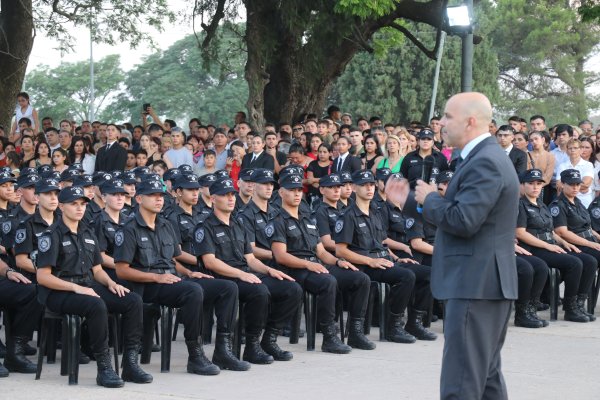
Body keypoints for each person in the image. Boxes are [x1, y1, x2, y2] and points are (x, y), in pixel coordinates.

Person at [388, 92, 518, 399]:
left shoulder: (485, 161)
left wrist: (431, 197)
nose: (441, 123)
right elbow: (463, 214)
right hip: (482, 283)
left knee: (461, 385)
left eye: (447, 116)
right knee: (485, 381)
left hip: (475, 283)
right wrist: (411, 202)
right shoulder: (479, 158)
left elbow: (464, 220)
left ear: (470, 121)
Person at [36, 186, 152, 387]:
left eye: (82, 204)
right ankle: (104, 367)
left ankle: (130, 364)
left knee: (132, 300)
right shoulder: (51, 234)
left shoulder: (88, 232)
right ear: (61, 206)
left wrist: (111, 283)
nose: (79, 208)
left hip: (87, 286)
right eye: (74, 204)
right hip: (59, 292)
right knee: (96, 304)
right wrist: (76, 289)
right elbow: (43, 277)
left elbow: (97, 270)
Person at [113, 179, 220, 376]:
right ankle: (191, 354)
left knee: (208, 286)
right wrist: (155, 278)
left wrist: (188, 272)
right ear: (138, 199)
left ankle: (198, 354)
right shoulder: (129, 229)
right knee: (192, 290)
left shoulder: (166, 225)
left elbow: (172, 257)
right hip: (144, 285)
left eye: (161, 196)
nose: (158, 200)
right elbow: (121, 270)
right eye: (152, 195)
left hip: (168, 280)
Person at [193, 177, 302, 363]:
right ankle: (247, 346)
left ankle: (268, 339)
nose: (230, 199)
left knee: (292, 289)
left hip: (244, 274)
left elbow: (250, 259)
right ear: (212, 199)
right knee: (258, 291)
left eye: (232, 195)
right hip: (221, 278)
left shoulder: (238, 224)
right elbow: (210, 262)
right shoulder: (205, 227)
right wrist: (241, 274)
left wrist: (269, 270)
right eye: (224, 195)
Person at [336, 170, 435, 342]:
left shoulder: (375, 212)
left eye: (371, 185)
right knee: (407, 276)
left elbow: (381, 243)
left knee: (429, 274)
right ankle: (393, 326)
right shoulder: (348, 215)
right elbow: (340, 251)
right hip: (366, 265)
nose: (369, 189)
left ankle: (413, 322)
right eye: (364, 185)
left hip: (385, 260)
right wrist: (370, 261)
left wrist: (397, 258)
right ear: (353, 188)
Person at [166, 174, 249, 371]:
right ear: (177, 193)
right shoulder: (170, 219)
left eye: (197, 189)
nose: (195, 193)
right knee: (200, 290)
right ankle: (196, 353)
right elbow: (174, 255)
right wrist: (203, 260)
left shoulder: (201, 214)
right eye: (190, 190)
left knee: (236, 287)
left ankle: (226, 348)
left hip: (203, 268)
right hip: (189, 270)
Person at [268, 173, 357, 353]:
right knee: (327, 281)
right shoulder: (277, 219)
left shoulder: (308, 218)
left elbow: (321, 252)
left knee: (348, 275)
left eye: (299, 190)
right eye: (292, 190)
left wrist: (338, 262)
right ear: (282, 193)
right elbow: (280, 256)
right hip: (292, 269)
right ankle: (329, 336)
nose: (297, 194)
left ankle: (351, 331)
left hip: (313, 266)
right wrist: (308, 264)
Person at [516, 168, 596, 323]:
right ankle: (565, 308)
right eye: (531, 183)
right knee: (574, 263)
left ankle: (574, 306)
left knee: (586, 261)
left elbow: (551, 231)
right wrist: (548, 247)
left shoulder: (542, 205)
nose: (535, 187)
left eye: (538, 184)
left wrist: (564, 243)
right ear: (523, 185)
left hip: (550, 245)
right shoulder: (521, 205)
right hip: (534, 248)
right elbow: (520, 233)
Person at [556, 138, 595, 208]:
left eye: (575, 148)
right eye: (570, 148)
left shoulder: (588, 165)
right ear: (567, 150)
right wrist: (580, 187)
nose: (572, 150)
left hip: (584, 202)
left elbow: (586, 184)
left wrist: (566, 187)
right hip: (566, 202)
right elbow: (558, 185)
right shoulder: (562, 166)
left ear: (580, 150)